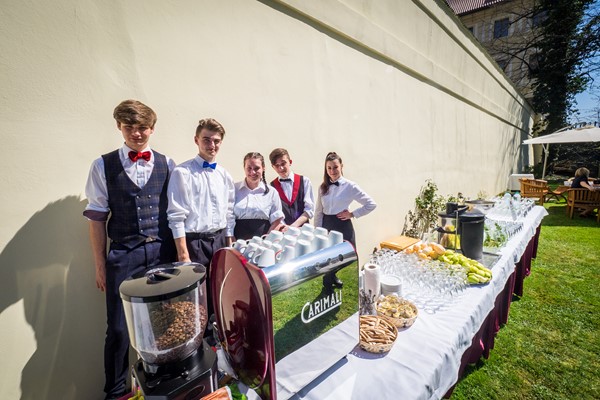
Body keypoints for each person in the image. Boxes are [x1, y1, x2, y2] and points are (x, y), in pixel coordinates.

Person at [83, 99, 176, 400]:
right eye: (129, 127)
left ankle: (162, 384)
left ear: (152, 129)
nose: (137, 133)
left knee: (163, 323)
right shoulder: (102, 165)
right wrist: (100, 266)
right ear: (119, 127)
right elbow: (97, 219)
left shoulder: (167, 164)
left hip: (161, 252)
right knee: (119, 329)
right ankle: (115, 392)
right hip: (124, 254)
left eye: (143, 127)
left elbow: (175, 214)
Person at [166, 118, 234, 317]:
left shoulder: (224, 175)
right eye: (206, 139)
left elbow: (229, 214)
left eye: (216, 141)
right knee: (195, 302)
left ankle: (217, 333)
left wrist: (229, 246)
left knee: (220, 295)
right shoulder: (181, 172)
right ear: (196, 140)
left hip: (219, 241)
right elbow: (176, 216)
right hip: (194, 245)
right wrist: (183, 256)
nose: (211, 145)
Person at [315, 152, 376, 289]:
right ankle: (328, 280)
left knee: (347, 256)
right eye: (329, 168)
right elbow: (318, 211)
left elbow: (371, 204)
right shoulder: (322, 187)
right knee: (328, 256)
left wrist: (353, 214)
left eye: (335, 167)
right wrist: (317, 231)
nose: (332, 171)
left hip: (342, 224)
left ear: (341, 166)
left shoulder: (350, 186)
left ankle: (332, 275)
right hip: (327, 224)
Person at [234, 152, 285, 240]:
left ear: (263, 168)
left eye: (256, 168)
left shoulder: (271, 192)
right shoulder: (234, 189)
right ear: (244, 168)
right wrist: (231, 239)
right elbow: (228, 218)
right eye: (249, 168)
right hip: (237, 242)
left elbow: (276, 221)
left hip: (262, 243)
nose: (252, 172)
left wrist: (266, 241)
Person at [269, 148, 315, 230]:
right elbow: (274, 213)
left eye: (283, 163)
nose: (281, 168)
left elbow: (309, 209)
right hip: (282, 231)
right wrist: (284, 227)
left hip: (303, 231)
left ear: (290, 162)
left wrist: (292, 227)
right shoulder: (272, 187)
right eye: (277, 165)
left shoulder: (304, 181)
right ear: (273, 167)